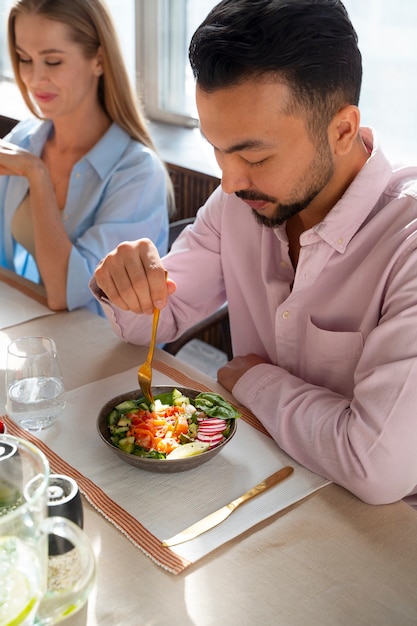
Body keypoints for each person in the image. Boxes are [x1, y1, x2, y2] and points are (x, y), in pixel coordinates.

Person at [90, 0, 417, 507]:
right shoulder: (237, 202)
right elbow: (147, 322)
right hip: (259, 483)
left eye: (255, 155)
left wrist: (255, 381)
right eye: (217, 149)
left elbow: (375, 466)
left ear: (343, 129)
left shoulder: (407, 244)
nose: (230, 180)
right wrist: (126, 280)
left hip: (378, 530)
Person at [0, 0, 173, 316]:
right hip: (25, 322)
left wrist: (37, 176)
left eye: (52, 62)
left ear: (99, 60)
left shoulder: (138, 172)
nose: (35, 78)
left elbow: (65, 293)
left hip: (103, 351)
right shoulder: (24, 139)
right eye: (24, 58)